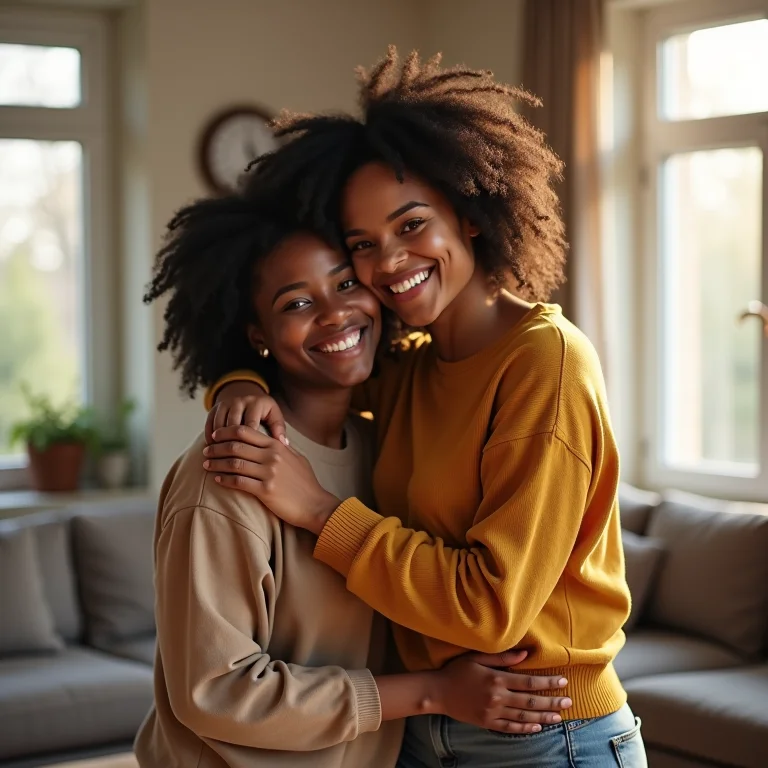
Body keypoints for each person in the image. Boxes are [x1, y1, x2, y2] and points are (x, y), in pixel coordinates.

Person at [202, 47, 647, 767]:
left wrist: (319, 512)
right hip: (420, 731)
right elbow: (306, 366)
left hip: (548, 735)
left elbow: (490, 609)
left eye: (413, 226)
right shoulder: (410, 366)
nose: (389, 263)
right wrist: (238, 386)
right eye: (363, 246)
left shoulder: (546, 363)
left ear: (468, 215)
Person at [134, 193, 572, 768]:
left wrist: (239, 381)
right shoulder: (227, 472)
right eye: (295, 303)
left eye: (345, 284)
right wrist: (430, 691)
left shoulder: (382, 445)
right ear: (257, 333)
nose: (335, 313)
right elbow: (216, 693)